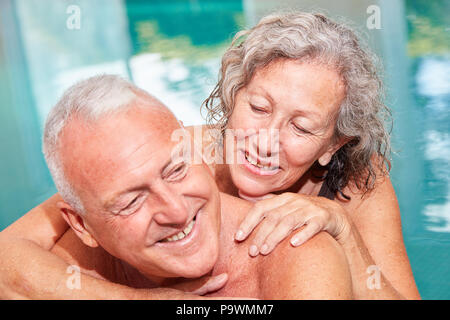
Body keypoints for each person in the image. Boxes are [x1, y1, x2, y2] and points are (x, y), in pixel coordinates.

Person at [0, 11, 420, 299]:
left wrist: (344, 233)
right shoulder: (183, 154)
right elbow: (9, 252)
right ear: (232, 98)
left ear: (332, 145)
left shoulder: (356, 184)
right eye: (258, 108)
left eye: (301, 127)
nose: (266, 140)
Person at [0, 75, 352, 299]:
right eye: (132, 201)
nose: (177, 211)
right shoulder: (63, 271)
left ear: (193, 146)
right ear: (80, 225)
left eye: (175, 170)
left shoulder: (298, 257)